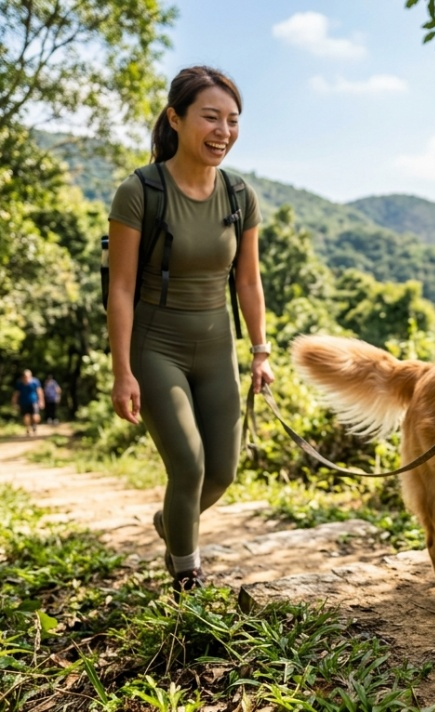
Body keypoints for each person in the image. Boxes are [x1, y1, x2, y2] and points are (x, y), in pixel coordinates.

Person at [106, 66, 273, 594]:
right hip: (156, 345)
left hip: (217, 343)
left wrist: (261, 351)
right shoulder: (140, 191)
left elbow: (248, 281)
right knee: (189, 461)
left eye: (232, 120)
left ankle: (172, 525)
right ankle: (187, 576)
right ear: (175, 119)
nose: (223, 130)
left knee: (222, 470)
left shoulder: (239, 195)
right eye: (210, 117)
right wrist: (122, 371)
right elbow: (122, 288)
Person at [12, 370, 45, 436]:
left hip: (34, 402)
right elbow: (16, 393)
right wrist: (14, 402)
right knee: (26, 416)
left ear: (30, 376)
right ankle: (27, 429)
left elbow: (39, 392)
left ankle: (34, 425)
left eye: (27, 376)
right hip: (23, 402)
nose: (26, 378)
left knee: (35, 416)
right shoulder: (20, 383)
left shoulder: (35, 382)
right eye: (25, 376)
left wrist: (41, 401)